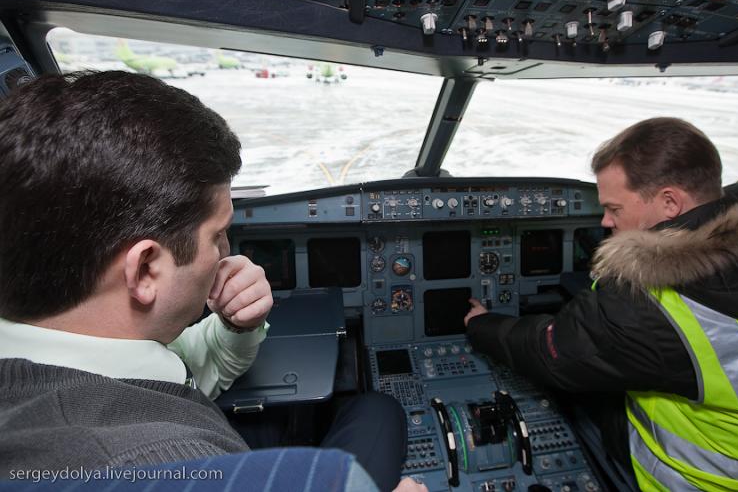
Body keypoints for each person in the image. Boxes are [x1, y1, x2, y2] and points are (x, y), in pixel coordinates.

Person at [0, 71, 423, 492]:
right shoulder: (157, 461)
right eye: (217, 235)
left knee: (372, 410)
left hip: (208, 424)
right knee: (379, 412)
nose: (227, 253)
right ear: (146, 268)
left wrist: (237, 326)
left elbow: (183, 365)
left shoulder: (80, 346)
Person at [464, 118, 738, 491]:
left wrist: (481, 324)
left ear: (670, 202)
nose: (605, 221)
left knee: (571, 395)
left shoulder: (649, 304)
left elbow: (549, 350)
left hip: (713, 480)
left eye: (614, 208)